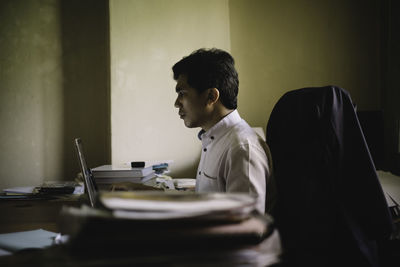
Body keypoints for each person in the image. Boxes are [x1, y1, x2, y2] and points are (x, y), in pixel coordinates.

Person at [172, 48, 275, 213]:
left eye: (182, 93)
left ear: (211, 97)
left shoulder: (241, 149)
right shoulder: (214, 138)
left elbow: (245, 231)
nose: (177, 103)